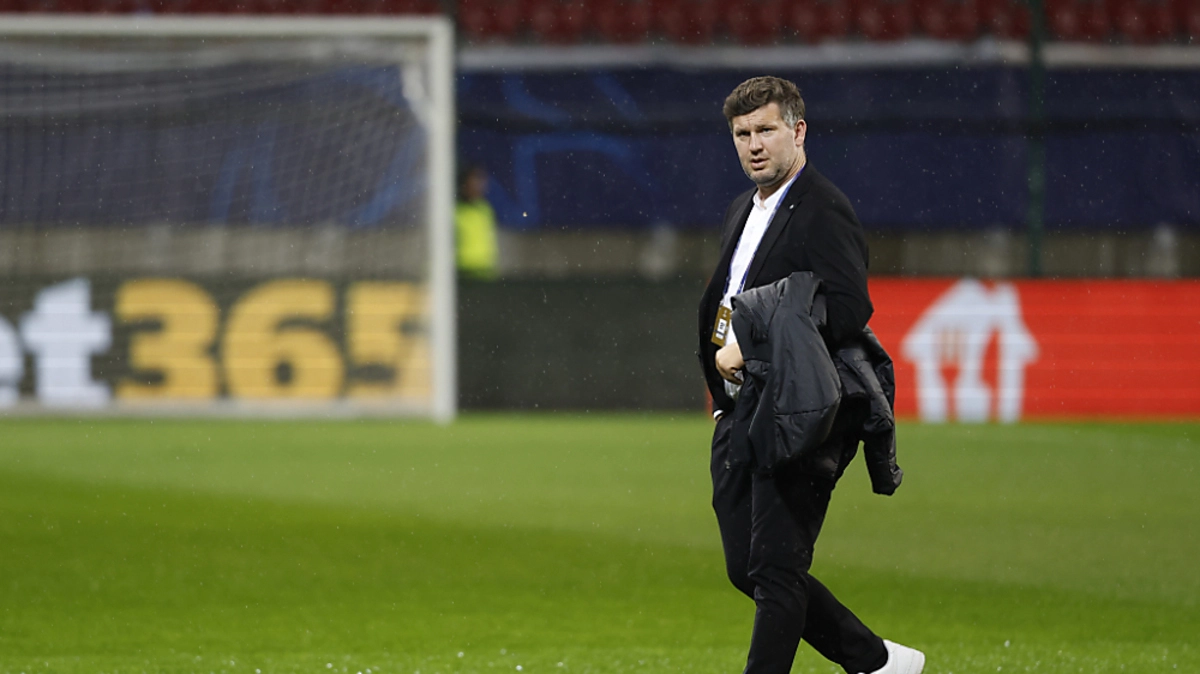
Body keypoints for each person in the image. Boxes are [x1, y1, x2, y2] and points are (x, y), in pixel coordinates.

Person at [696, 76, 925, 674]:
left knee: (776, 569)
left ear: (798, 131)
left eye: (766, 130)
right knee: (746, 567)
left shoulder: (824, 208)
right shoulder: (742, 208)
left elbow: (849, 307)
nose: (754, 145)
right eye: (742, 134)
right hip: (741, 409)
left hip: (799, 409)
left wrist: (754, 342)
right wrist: (722, 399)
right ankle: (877, 661)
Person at [455, 163, 499, 280]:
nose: (478, 187)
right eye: (474, 182)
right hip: (462, 271)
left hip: (485, 271)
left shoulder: (486, 209)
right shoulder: (454, 211)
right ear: (464, 184)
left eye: (480, 182)